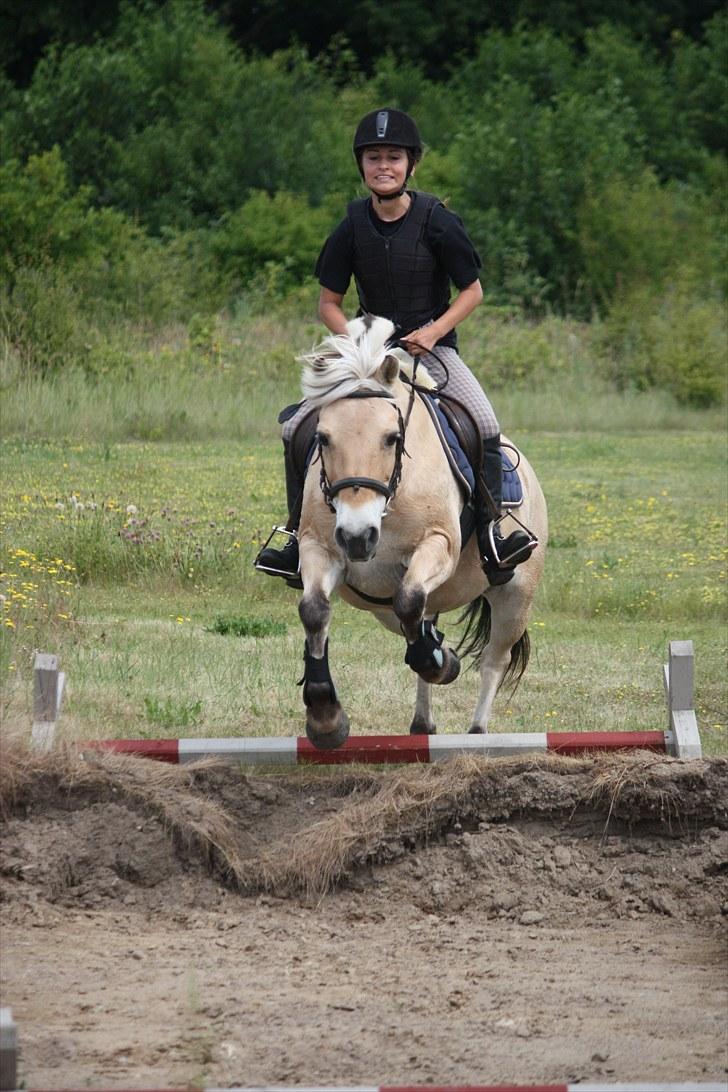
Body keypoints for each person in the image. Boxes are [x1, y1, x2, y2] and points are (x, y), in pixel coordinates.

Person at [256, 107, 535, 586]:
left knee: (485, 423)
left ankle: (493, 532)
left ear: (411, 165)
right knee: (295, 428)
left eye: (393, 157)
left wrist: (431, 332)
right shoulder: (350, 225)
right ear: (361, 166)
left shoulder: (439, 222)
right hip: (370, 356)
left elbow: (474, 293)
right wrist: (356, 342)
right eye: (373, 157)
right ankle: (293, 534)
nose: (383, 166)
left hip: (434, 352)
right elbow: (328, 303)